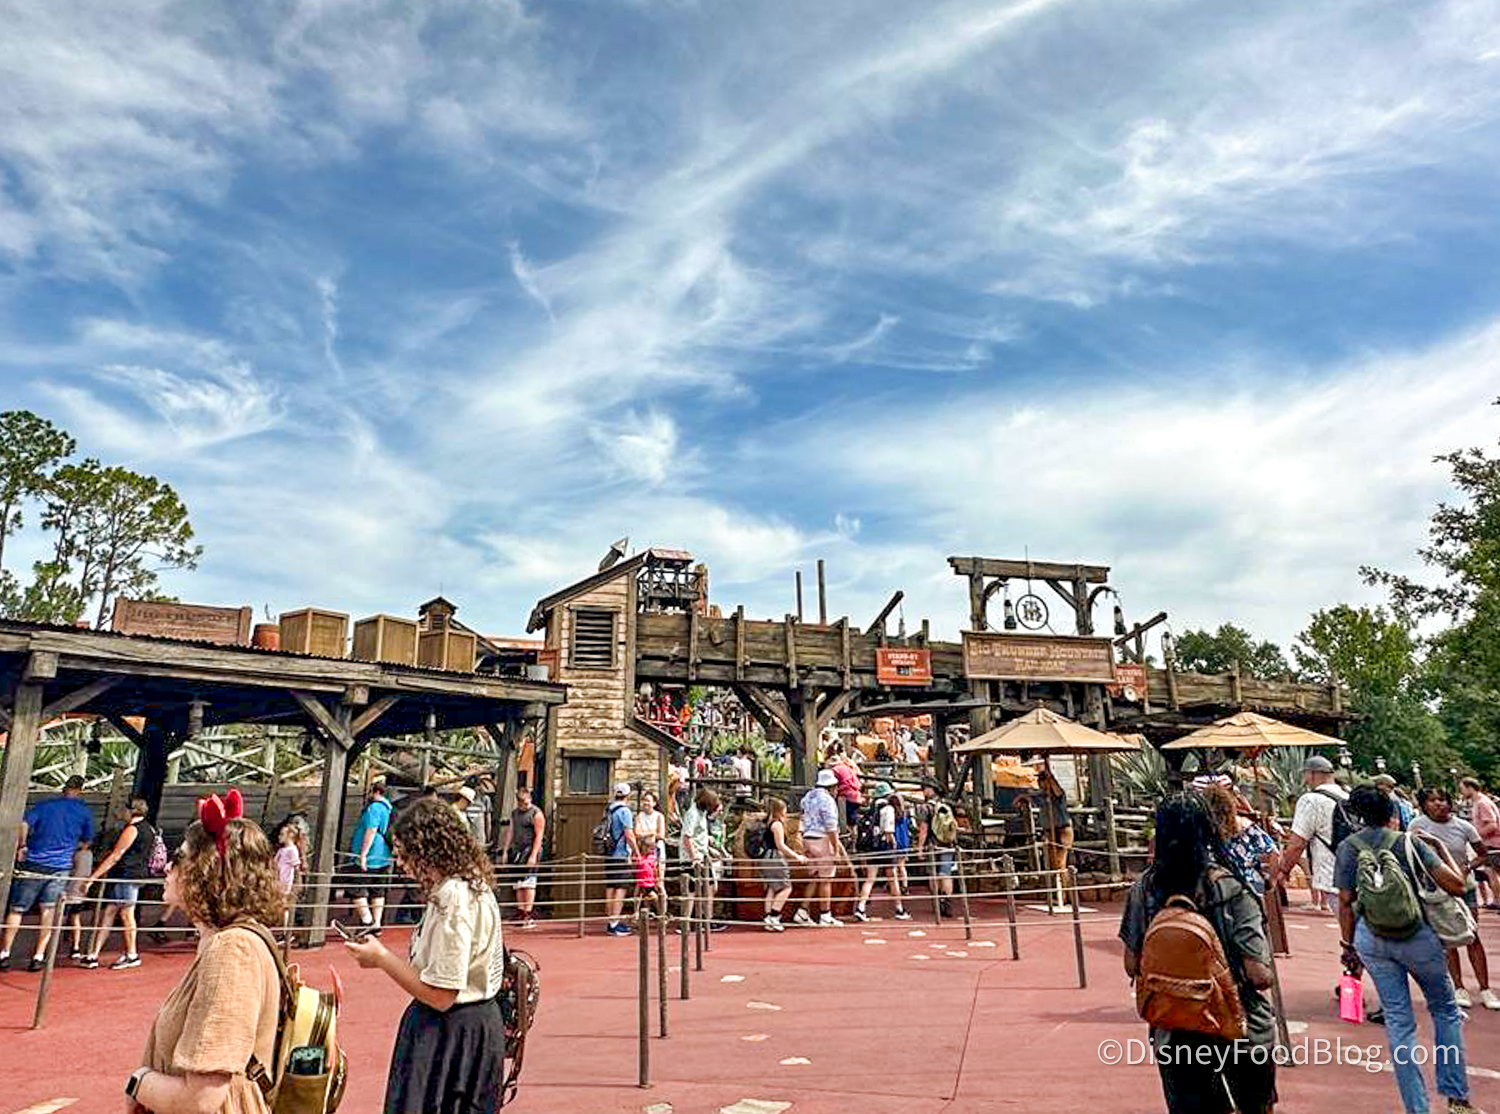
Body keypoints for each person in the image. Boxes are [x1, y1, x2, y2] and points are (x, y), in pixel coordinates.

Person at [120, 789, 285, 1114]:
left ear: (207, 870)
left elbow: (201, 1100)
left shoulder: (232, 950)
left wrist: (139, 1082)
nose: (168, 866)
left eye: (180, 857)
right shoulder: (228, 942)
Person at [345, 795, 508, 1114]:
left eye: (405, 854)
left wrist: (381, 958)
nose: (401, 863)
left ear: (428, 850)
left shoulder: (453, 896)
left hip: (450, 1035)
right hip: (469, 1030)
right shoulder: (471, 885)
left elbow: (441, 995)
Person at [1119, 792, 1277, 1114]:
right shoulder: (1231, 888)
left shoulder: (1144, 890)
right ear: (1208, 830)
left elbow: (1131, 964)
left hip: (1174, 1027)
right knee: (1255, 1105)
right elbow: (1258, 975)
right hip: (1239, 1024)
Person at [1337, 784, 1483, 1114]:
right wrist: (1439, 848)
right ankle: (1456, 1098)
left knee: (1398, 1021)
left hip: (1372, 938)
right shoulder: (1408, 842)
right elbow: (1457, 884)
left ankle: (1417, 1108)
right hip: (1417, 936)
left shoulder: (1348, 847)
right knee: (1445, 1010)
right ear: (1391, 812)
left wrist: (1348, 946)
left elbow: (1345, 902)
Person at [1411, 787, 1500, 1011]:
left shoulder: (1463, 826)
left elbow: (1482, 854)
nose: (1439, 804)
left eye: (1442, 799)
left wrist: (1467, 867)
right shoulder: (1417, 826)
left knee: (1472, 935)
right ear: (1424, 805)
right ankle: (1459, 987)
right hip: (1436, 891)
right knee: (1448, 939)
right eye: (1432, 800)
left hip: (1463, 887)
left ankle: (1485, 989)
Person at [1, 773, 95, 971]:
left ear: (64, 788)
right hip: (61, 866)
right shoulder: (84, 812)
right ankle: (38, 955)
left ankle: (5, 953)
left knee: (17, 909)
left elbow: (24, 823)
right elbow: (87, 841)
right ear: (80, 791)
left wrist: (23, 845)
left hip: (35, 862)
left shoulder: (45, 806)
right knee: (49, 910)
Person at [81, 797, 157, 969]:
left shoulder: (132, 829)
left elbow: (116, 855)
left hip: (127, 875)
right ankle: (94, 954)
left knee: (126, 914)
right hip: (135, 874)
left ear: (131, 811)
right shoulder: (149, 829)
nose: (121, 812)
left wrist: (93, 878)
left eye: (124, 809)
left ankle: (132, 954)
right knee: (110, 912)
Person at [1273, 755, 1347, 913]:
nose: (1305, 780)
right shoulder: (1348, 797)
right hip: (1355, 869)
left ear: (1312, 774)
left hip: (1331, 873)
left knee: (1347, 922)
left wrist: (1284, 870)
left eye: (1305, 774)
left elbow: (1297, 844)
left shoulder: (1310, 800)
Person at [1202, 784, 1278, 896]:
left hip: (1216, 888)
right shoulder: (1246, 827)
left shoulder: (1203, 831)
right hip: (1250, 886)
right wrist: (1272, 882)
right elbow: (1274, 852)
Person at [854, 783, 910, 922]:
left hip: (872, 846)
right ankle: (899, 909)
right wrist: (894, 844)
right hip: (885, 847)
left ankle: (861, 907)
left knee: (870, 879)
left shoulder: (871, 809)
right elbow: (888, 830)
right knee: (893, 878)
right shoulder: (888, 808)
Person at [796, 769, 845, 927]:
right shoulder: (828, 800)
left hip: (807, 838)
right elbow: (831, 826)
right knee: (826, 880)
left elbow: (802, 818)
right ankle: (825, 915)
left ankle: (803, 911)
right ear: (832, 787)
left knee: (815, 877)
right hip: (822, 839)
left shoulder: (807, 797)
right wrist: (836, 850)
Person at [350, 779, 394, 933]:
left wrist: (363, 854)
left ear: (376, 792)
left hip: (372, 854)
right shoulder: (388, 807)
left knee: (356, 888)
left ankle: (367, 921)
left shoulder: (374, 808)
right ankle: (377, 923)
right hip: (384, 854)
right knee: (378, 889)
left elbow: (371, 830)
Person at [760, 797, 804, 931]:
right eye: (785, 809)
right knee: (786, 888)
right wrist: (796, 856)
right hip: (775, 857)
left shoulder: (768, 823)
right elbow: (781, 845)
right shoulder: (777, 825)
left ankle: (768, 917)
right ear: (779, 811)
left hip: (766, 857)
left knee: (772, 888)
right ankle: (774, 916)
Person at [504, 786, 545, 927]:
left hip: (530, 849)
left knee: (529, 882)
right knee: (518, 883)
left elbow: (539, 836)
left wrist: (533, 855)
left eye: (527, 802)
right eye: (523, 803)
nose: (525, 805)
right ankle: (521, 910)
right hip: (517, 850)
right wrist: (506, 850)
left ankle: (528, 912)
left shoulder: (536, 813)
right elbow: (511, 831)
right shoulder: (515, 813)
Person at [915, 784, 957, 916]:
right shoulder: (947, 806)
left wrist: (920, 848)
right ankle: (947, 902)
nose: (923, 791)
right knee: (946, 873)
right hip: (947, 844)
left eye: (924, 788)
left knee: (933, 874)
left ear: (931, 789)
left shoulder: (926, 807)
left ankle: (937, 902)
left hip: (932, 845)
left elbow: (924, 829)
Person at [602, 783, 639, 936]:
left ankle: (611, 920)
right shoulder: (625, 811)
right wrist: (636, 852)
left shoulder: (609, 809)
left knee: (610, 886)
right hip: (621, 853)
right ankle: (614, 923)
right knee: (620, 888)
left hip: (608, 853)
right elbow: (629, 835)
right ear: (627, 795)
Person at [677, 787, 715, 932]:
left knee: (710, 886)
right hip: (691, 858)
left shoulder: (702, 812)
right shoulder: (692, 814)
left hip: (702, 855)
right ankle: (685, 923)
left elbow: (699, 834)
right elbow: (687, 837)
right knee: (690, 891)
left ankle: (707, 919)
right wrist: (694, 858)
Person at [1460, 778, 1500, 910]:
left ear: (1470, 787)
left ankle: (1498, 901)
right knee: (1491, 873)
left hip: (1493, 844)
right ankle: (1497, 900)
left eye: (1462, 789)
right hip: (1490, 844)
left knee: (1492, 873)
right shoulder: (1479, 802)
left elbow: (1492, 825)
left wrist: (1475, 836)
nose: (1461, 792)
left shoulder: (1482, 803)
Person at [634, 791, 667, 906]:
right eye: (644, 800)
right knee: (640, 883)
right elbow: (637, 833)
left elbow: (661, 835)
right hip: (643, 851)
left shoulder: (659, 816)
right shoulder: (639, 816)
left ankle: (662, 911)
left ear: (654, 803)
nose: (645, 803)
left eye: (648, 800)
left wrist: (646, 835)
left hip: (657, 851)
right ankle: (639, 911)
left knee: (659, 883)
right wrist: (651, 833)